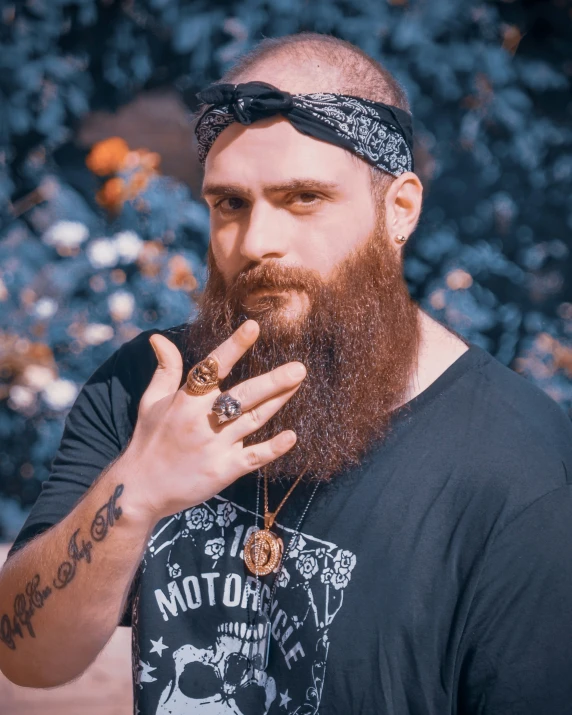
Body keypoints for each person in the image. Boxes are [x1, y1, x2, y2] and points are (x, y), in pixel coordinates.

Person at [1, 32, 572, 715]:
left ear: (400, 210)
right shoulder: (148, 389)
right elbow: (27, 656)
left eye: (304, 197)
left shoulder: (516, 466)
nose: (255, 242)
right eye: (230, 204)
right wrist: (137, 494)